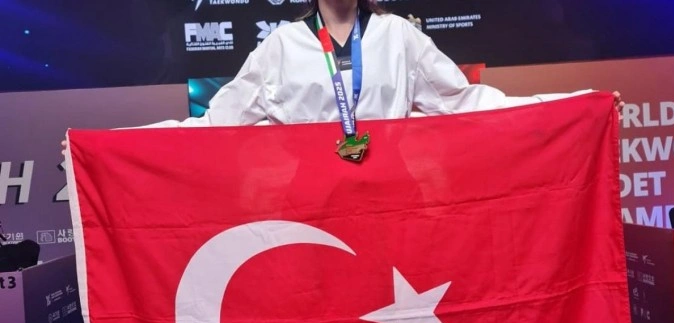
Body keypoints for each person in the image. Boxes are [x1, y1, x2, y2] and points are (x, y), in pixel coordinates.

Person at [62, 0, 624, 152]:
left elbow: (469, 102)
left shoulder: (399, 36)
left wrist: (576, 104)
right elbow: (215, 127)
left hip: (391, 197)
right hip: (309, 206)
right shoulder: (280, 46)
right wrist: (109, 148)